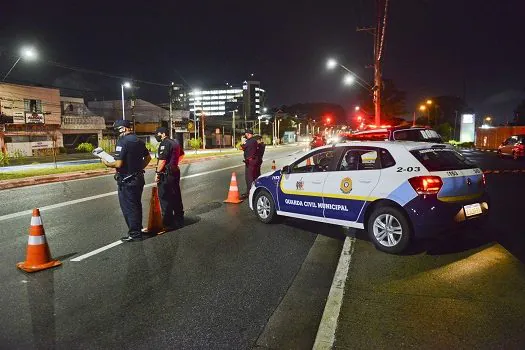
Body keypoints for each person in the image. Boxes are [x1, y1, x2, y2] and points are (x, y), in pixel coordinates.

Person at [103, 120, 151, 242]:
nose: (118, 133)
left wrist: (106, 163)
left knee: (129, 207)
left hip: (127, 180)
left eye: (118, 130)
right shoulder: (139, 140)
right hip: (138, 178)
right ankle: (137, 230)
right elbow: (148, 157)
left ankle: (135, 234)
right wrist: (139, 168)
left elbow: (118, 163)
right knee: (136, 205)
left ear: (124, 129)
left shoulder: (123, 141)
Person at [154, 127, 184, 230]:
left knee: (165, 197)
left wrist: (157, 173)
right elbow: (182, 154)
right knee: (176, 194)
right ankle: (179, 217)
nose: (156, 136)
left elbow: (162, 160)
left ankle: (167, 222)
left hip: (166, 174)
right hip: (175, 172)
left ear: (162, 134)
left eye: (157, 134)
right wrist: (174, 164)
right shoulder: (175, 142)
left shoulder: (164, 143)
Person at [240, 129, 258, 197]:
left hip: (250, 162)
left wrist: (242, 141)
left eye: (246, 134)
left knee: (249, 177)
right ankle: (253, 191)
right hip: (254, 161)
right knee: (254, 176)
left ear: (248, 134)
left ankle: (250, 192)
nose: (245, 135)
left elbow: (241, 147)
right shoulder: (254, 141)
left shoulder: (249, 141)